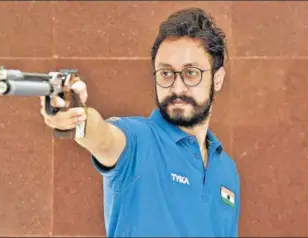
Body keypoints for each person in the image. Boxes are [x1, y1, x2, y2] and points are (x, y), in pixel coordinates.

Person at [41, 7, 240, 237]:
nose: (177, 88)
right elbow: (103, 138)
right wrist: (76, 117)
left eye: (191, 73)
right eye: (166, 74)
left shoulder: (227, 170)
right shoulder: (139, 140)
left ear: (217, 79)